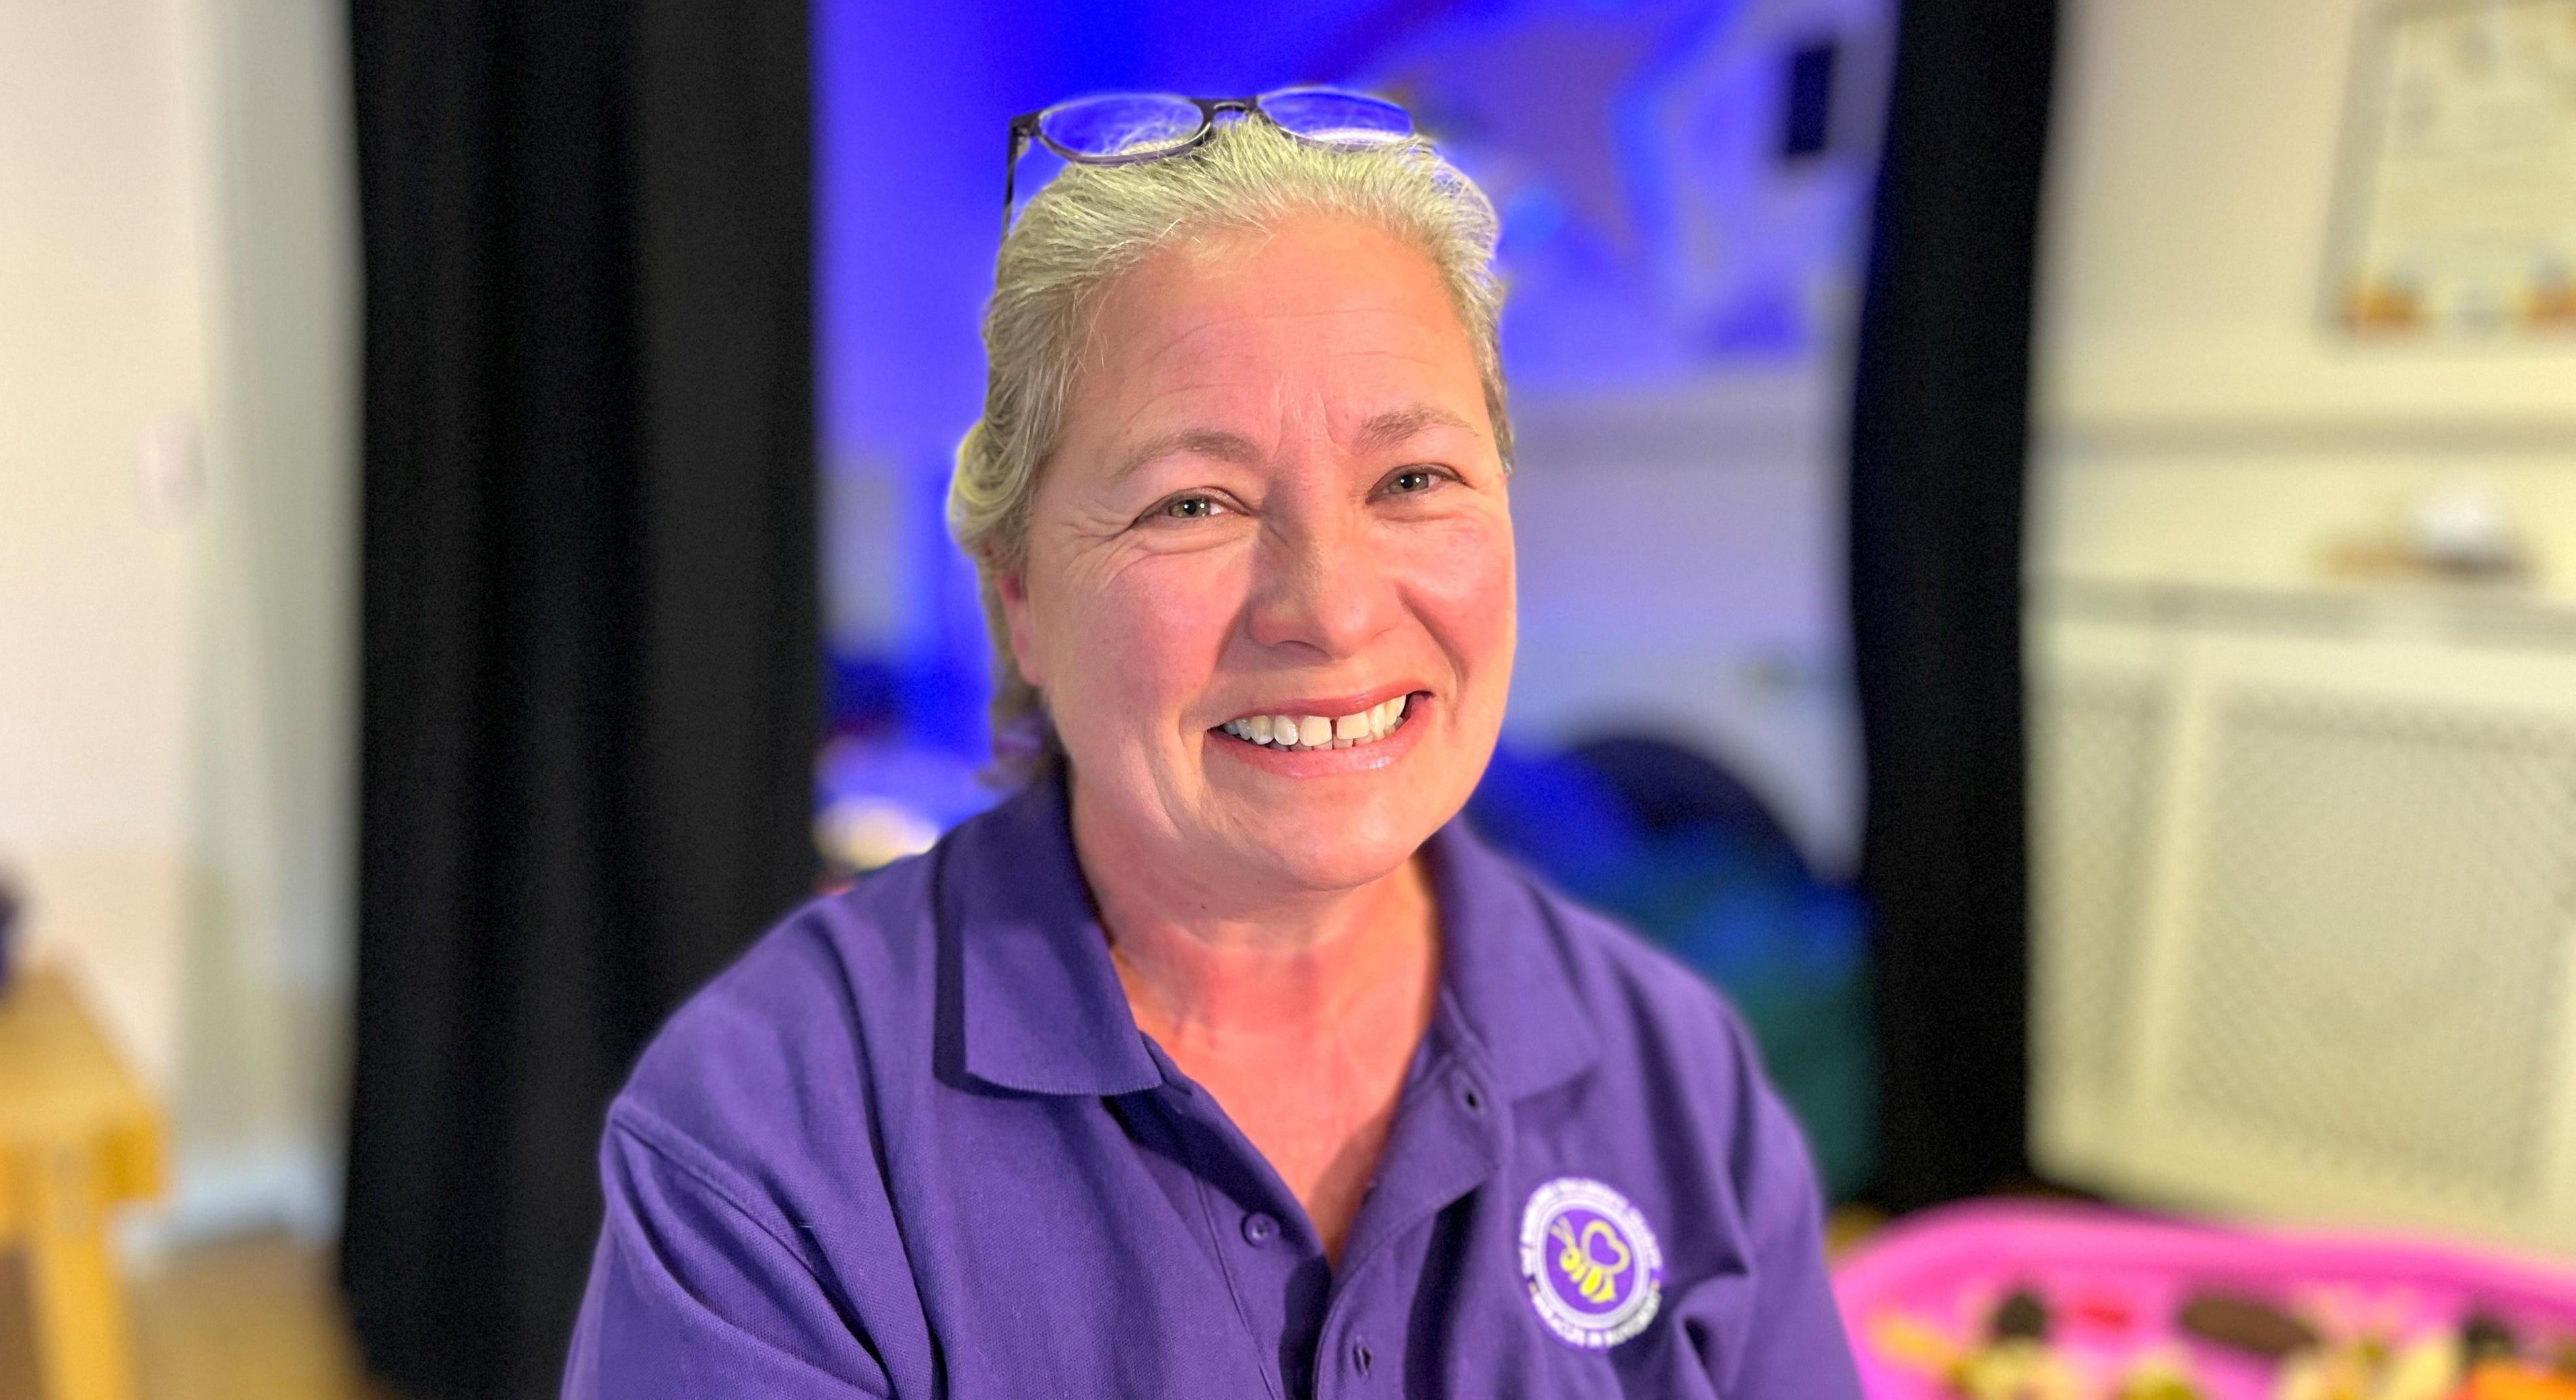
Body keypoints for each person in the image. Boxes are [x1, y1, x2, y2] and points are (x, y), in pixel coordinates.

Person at [564, 89, 1861, 1399]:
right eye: (1194, 502)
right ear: (1021, 590)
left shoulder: (1678, 1077)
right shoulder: (768, 1138)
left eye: (1414, 480)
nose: (1334, 610)